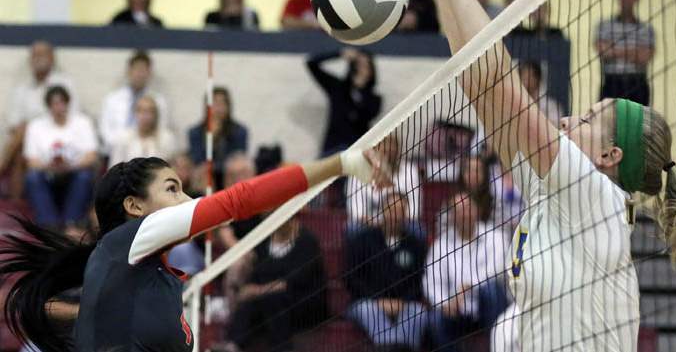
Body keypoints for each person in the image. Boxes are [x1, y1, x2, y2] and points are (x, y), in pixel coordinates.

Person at [365, 0, 676, 351]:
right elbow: (480, 80)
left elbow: (503, 81)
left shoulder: (595, 197)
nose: (565, 120)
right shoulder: (552, 190)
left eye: (584, 120)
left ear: (609, 155)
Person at [0, 144, 389, 352]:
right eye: (173, 189)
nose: (188, 200)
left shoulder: (148, 277)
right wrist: (340, 164)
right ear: (134, 207)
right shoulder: (129, 239)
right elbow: (239, 200)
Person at [226, 215, 328, 352]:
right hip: (269, 301)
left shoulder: (307, 242)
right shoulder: (264, 243)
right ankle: (232, 345)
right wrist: (249, 290)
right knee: (249, 303)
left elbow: (292, 282)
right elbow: (257, 275)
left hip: (303, 303)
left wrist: (256, 290)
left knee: (273, 299)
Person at [344, 190, 429, 352]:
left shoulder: (416, 245)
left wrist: (402, 302)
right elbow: (351, 279)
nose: (395, 215)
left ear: (406, 215)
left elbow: (420, 281)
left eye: (400, 211)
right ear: (382, 211)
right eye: (391, 210)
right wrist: (378, 300)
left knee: (419, 312)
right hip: (367, 302)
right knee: (367, 309)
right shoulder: (362, 240)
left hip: (404, 304)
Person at [423, 193, 509, 352]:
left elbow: (498, 271)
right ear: (452, 216)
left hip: (488, 306)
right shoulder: (440, 246)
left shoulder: (496, 237)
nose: (464, 213)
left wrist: (469, 286)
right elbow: (431, 283)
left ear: (477, 211)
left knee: (491, 291)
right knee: (435, 318)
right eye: (459, 209)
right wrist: (445, 304)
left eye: (468, 208)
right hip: (457, 312)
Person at [1, 41, 77, 200]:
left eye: (42, 54)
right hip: (27, 140)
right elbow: (13, 123)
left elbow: (72, 116)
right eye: (34, 55)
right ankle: (15, 207)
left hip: (57, 135)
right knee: (20, 148)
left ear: (52, 58)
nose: (38, 59)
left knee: (24, 131)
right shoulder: (23, 88)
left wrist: (34, 128)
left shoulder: (64, 84)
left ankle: (1, 168)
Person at [23, 86, 98, 227]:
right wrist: (50, 167)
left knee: (84, 175)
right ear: (49, 106)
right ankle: (49, 224)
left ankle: (72, 222)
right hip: (48, 175)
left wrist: (70, 166)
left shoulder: (83, 122)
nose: (59, 107)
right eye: (54, 103)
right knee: (32, 177)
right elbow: (31, 161)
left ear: (68, 103)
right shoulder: (36, 126)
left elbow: (91, 156)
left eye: (62, 102)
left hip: (74, 173)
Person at [306, 48, 382, 156]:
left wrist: (360, 89)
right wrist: (339, 53)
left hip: (356, 153)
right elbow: (311, 63)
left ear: (371, 71)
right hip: (332, 150)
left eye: (365, 66)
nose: (361, 70)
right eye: (358, 65)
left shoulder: (375, 99)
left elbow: (364, 116)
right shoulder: (337, 88)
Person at [595, 0, 655, 105]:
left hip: (637, 84)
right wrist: (634, 51)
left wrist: (614, 49)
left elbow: (644, 57)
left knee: (637, 124)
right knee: (607, 124)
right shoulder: (604, 26)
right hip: (611, 83)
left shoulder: (646, 29)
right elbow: (603, 51)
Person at [99, 51, 169, 155]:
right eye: (137, 69)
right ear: (129, 71)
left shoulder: (158, 101)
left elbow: (160, 128)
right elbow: (105, 130)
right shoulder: (112, 99)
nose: (140, 74)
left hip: (148, 153)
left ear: (150, 73)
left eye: (144, 70)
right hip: (116, 151)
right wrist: (122, 146)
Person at [346, 132, 421, 228]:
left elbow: (414, 211)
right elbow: (356, 212)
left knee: (417, 229)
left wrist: (394, 222)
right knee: (354, 228)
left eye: (392, 144)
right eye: (384, 143)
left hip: (400, 224)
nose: (389, 148)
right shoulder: (358, 172)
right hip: (368, 225)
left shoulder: (410, 170)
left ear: (398, 148)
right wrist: (380, 226)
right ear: (374, 148)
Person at [188, 87, 249, 189]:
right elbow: (197, 158)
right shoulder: (195, 132)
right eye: (214, 103)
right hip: (206, 172)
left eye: (222, 103)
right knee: (203, 171)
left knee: (240, 167)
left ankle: (235, 201)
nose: (218, 108)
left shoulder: (239, 130)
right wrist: (212, 137)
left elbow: (237, 155)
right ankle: (208, 202)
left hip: (229, 171)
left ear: (228, 106)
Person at [109, 95, 177, 167]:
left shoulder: (167, 138)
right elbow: (114, 169)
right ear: (135, 113)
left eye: (151, 111)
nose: (146, 116)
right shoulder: (123, 138)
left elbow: (172, 169)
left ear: (156, 115)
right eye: (142, 111)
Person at [518, 60, 563, 127]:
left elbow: (556, 126)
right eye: (523, 76)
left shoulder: (550, 106)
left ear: (538, 79)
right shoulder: (516, 103)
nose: (525, 80)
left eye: (529, 76)